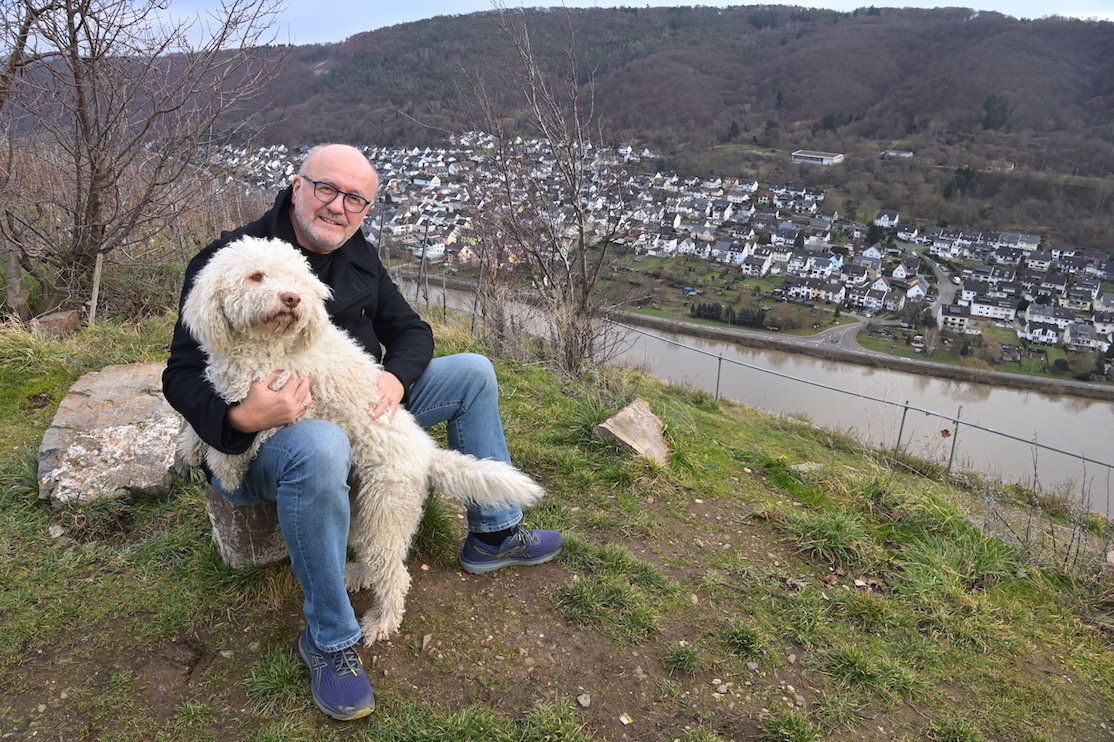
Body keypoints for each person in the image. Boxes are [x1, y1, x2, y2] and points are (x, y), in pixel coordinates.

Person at [162, 143, 563, 721]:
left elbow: (412, 331)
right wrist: (240, 419)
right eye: (327, 188)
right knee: (322, 444)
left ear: (366, 210)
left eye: (355, 198)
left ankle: (494, 534)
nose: (338, 206)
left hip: (362, 402)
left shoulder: (358, 255)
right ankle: (330, 638)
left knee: (473, 371)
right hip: (271, 437)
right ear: (297, 186)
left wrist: (395, 379)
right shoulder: (229, 258)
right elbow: (179, 374)